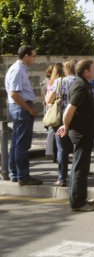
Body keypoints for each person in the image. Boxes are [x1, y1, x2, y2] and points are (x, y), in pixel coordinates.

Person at [57, 59, 94, 212]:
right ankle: (78, 202)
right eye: (93, 69)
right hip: (81, 132)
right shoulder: (80, 85)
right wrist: (66, 126)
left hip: (84, 131)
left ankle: (80, 198)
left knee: (80, 166)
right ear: (86, 71)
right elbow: (69, 110)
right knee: (80, 168)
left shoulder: (82, 83)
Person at [5, 45, 41, 186]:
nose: (35, 58)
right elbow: (14, 94)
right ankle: (23, 176)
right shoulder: (18, 70)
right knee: (22, 144)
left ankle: (14, 173)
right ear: (26, 56)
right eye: (33, 55)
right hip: (21, 108)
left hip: (19, 108)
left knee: (16, 143)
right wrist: (29, 109)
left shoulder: (18, 69)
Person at [48, 59, 77, 187]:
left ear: (65, 70)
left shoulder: (59, 82)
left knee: (62, 149)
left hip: (61, 119)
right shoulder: (81, 81)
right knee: (78, 149)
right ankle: (78, 177)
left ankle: (62, 178)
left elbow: (49, 99)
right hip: (78, 118)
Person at [43, 63, 63, 160]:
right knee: (56, 131)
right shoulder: (58, 81)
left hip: (51, 108)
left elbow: (47, 98)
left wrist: (48, 104)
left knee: (52, 130)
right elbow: (50, 97)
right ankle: (54, 154)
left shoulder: (50, 81)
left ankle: (52, 153)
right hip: (57, 108)